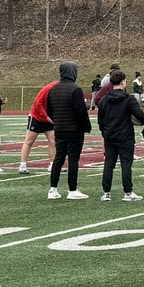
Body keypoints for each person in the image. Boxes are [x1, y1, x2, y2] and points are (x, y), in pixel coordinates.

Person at [97, 69, 144, 202]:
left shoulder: (104, 100)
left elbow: (100, 120)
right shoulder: (128, 99)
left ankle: (106, 193)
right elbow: (139, 114)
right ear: (123, 82)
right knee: (126, 164)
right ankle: (128, 192)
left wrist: (105, 132)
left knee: (109, 164)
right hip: (125, 137)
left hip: (110, 136)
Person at [46, 61, 92, 200]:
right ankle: (72, 189)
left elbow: (49, 110)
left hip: (59, 128)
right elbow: (81, 111)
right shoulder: (75, 89)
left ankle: (52, 190)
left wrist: (58, 121)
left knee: (59, 158)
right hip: (74, 129)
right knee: (73, 159)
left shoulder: (53, 89)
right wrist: (86, 126)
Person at [18, 80, 57, 174]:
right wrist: (46, 117)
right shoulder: (48, 89)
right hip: (37, 117)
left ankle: (53, 165)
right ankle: (22, 165)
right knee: (29, 140)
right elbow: (38, 103)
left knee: (53, 141)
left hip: (49, 118)